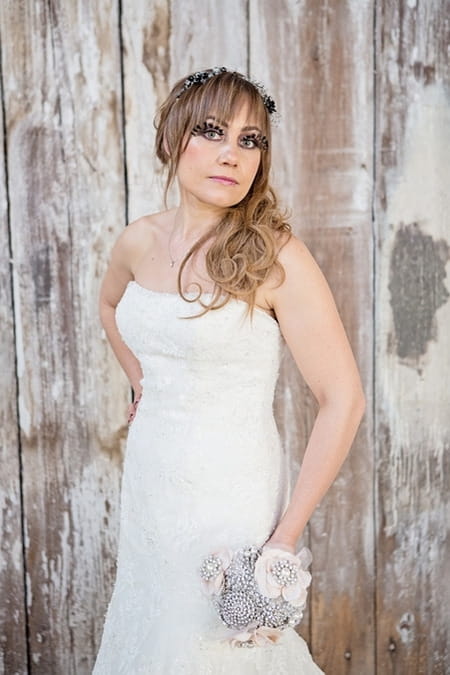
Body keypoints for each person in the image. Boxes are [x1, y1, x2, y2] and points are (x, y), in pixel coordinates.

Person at [93, 67, 365, 674]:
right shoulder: (137, 242)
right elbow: (110, 305)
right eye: (212, 131)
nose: (232, 154)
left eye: (251, 140)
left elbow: (342, 398)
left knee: (215, 648)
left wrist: (285, 539)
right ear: (171, 139)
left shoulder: (276, 257)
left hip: (231, 498)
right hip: (151, 489)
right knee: (152, 629)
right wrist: (141, 379)